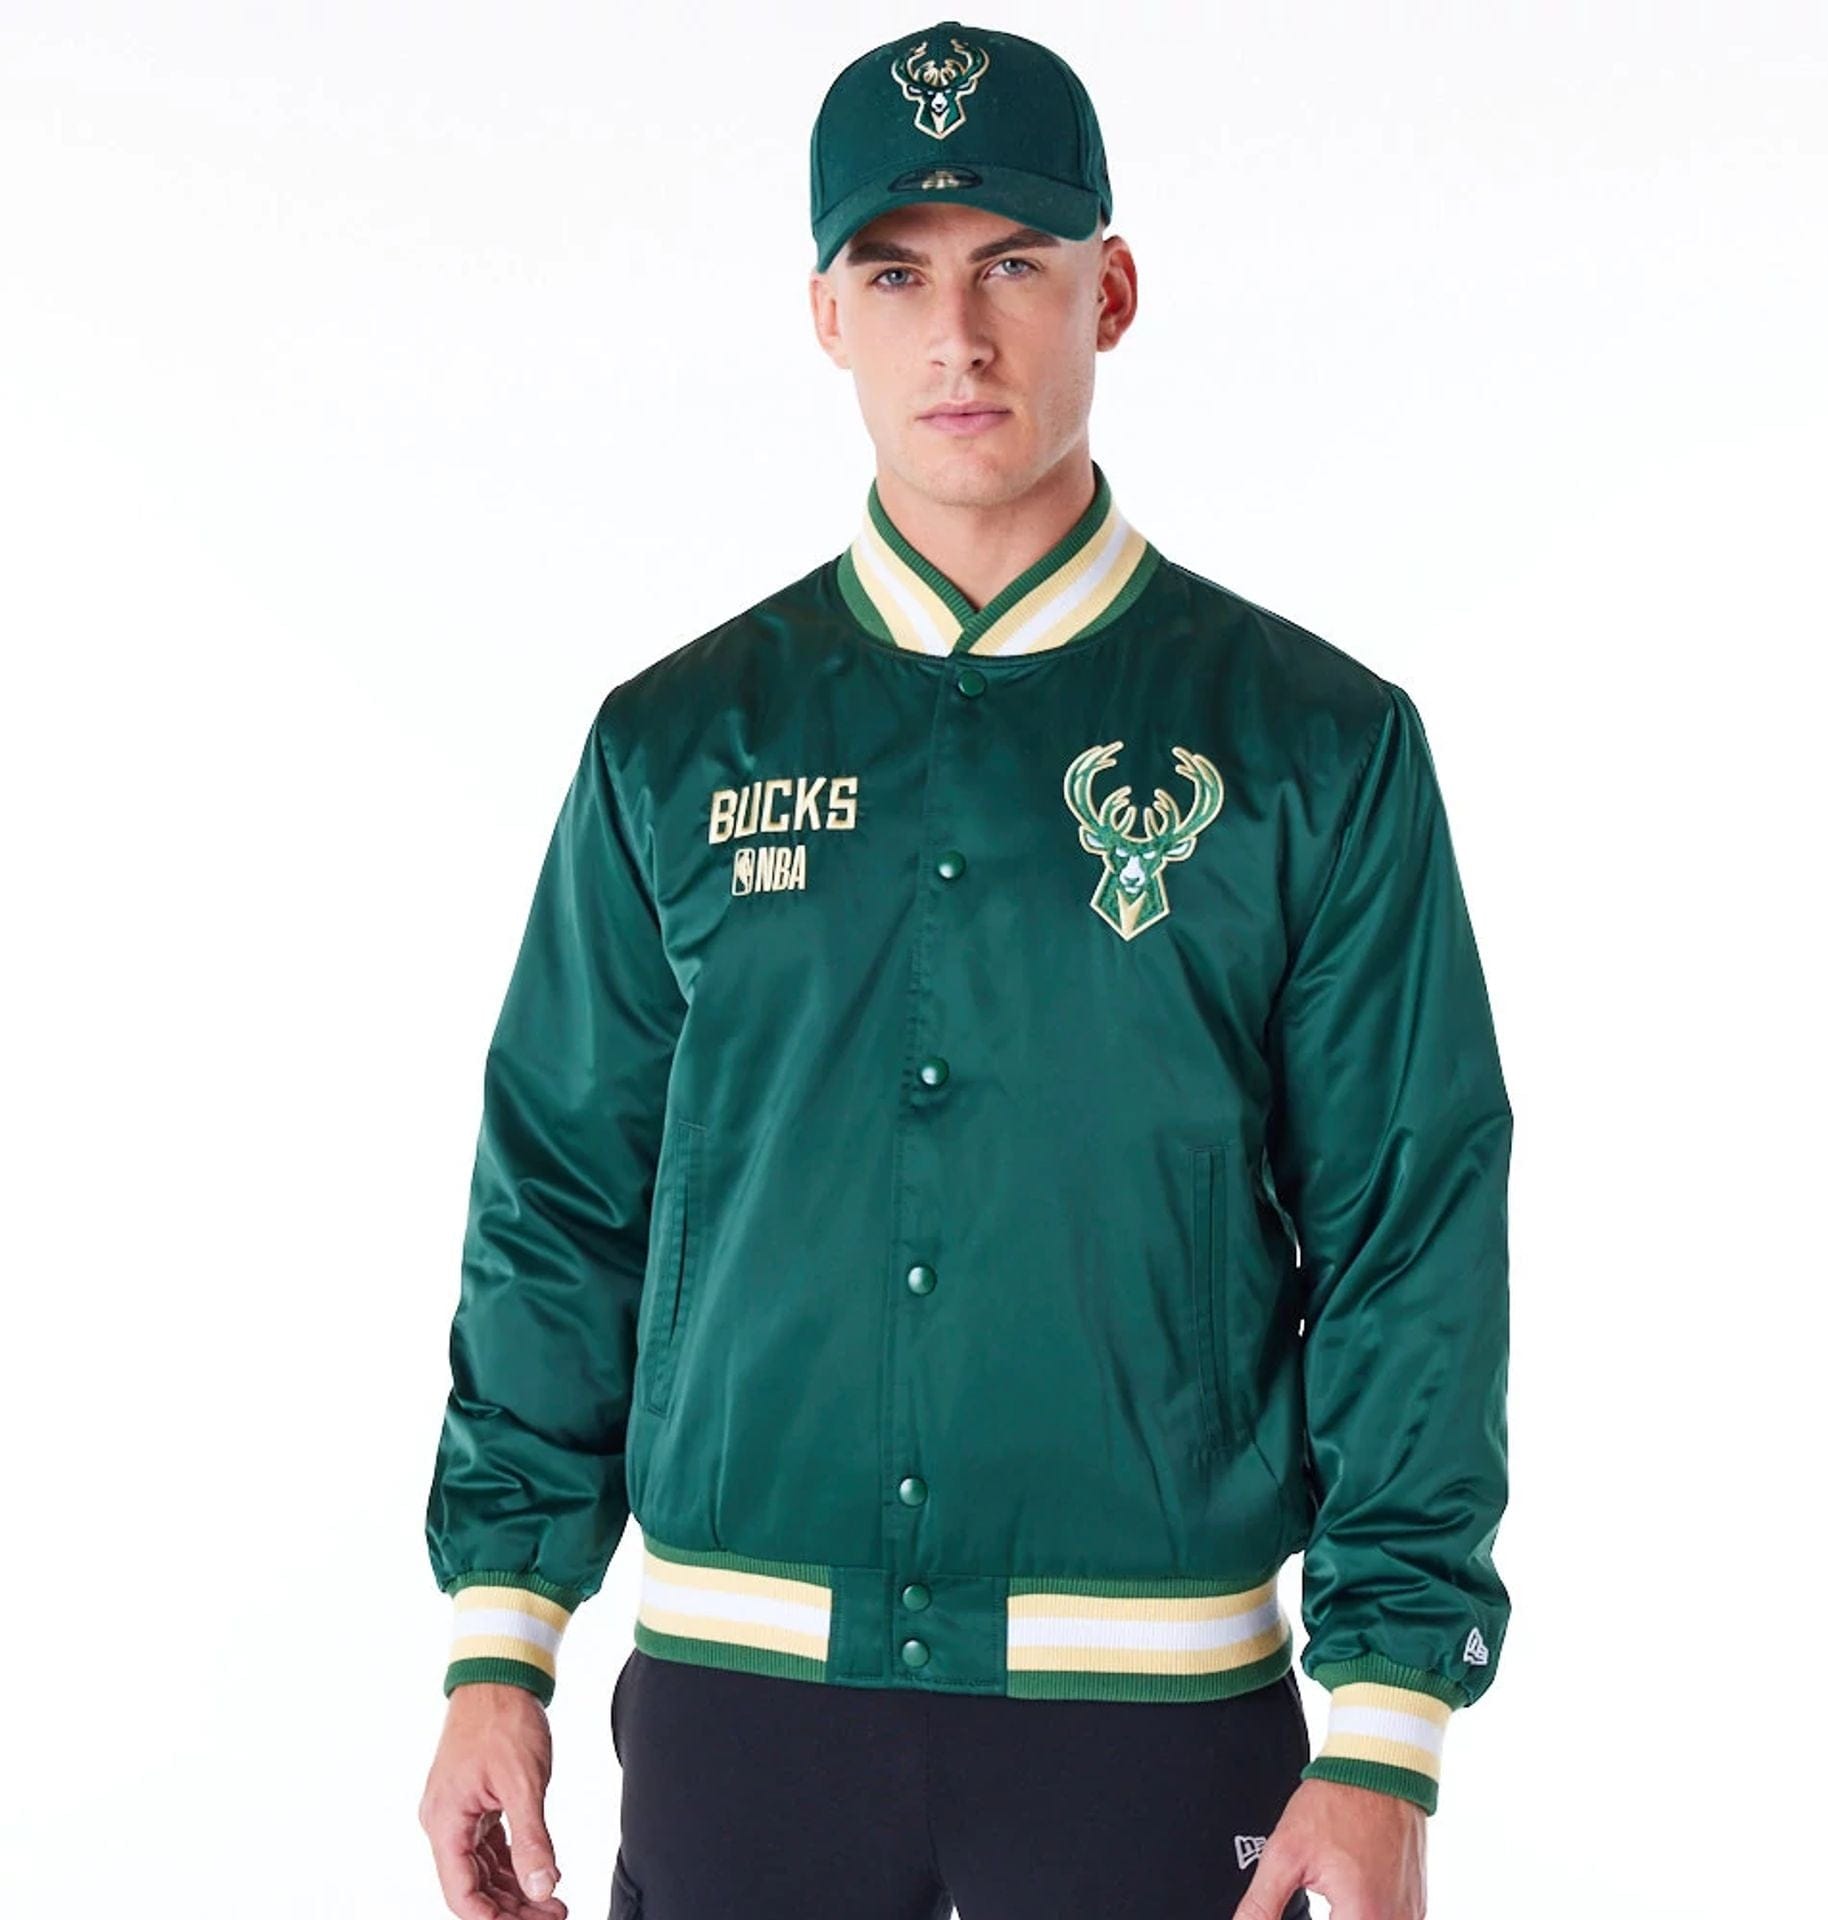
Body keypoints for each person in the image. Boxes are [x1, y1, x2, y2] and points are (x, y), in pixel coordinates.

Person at [417, 18, 1513, 1920]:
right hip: (743, 1708)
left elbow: (1409, 1232)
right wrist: (498, 1646)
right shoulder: (674, 747)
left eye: (1012, 262)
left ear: (1113, 290)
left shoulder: (1316, 748)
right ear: (824, 317)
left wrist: (1388, 1726)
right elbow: (562, 1198)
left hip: (1156, 1717)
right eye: (896, 273)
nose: (959, 337)